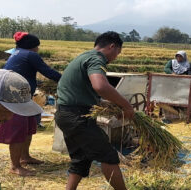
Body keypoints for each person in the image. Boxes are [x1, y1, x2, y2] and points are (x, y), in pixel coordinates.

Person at [55, 31, 135, 190]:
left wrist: (109, 104)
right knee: (109, 156)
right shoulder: (97, 58)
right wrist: (126, 106)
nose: (116, 57)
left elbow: (87, 92)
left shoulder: (84, 56)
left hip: (65, 114)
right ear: (112, 46)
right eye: (118, 52)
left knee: (81, 159)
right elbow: (100, 86)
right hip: (77, 116)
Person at [0, 32, 61, 176]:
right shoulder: (30, 55)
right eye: (37, 46)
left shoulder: (17, 53)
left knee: (28, 127)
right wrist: (66, 80)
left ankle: (25, 157)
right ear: (33, 46)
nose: (38, 49)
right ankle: (15, 166)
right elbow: (47, 72)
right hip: (14, 98)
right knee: (18, 130)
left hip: (23, 97)